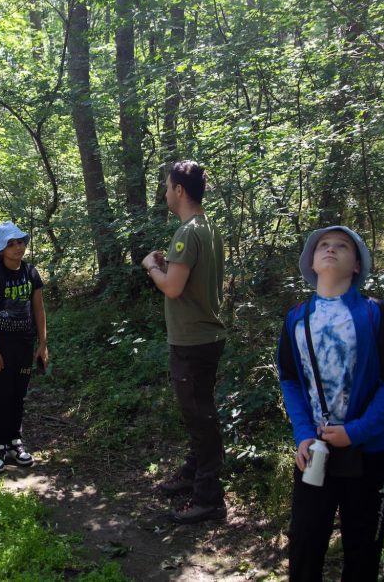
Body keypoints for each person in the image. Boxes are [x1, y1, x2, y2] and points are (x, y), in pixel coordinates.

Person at [276, 226, 384, 581]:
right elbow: (290, 379)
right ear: (312, 261)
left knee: (363, 550)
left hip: (372, 451)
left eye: (342, 246)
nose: (331, 249)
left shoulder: (374, 314)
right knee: (304, 542)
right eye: (323, 245)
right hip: (315, 451)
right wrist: (303, 434)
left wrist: (356, 431)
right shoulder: (297, 317)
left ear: (357, 264)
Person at [141, 160, 227, 525]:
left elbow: (172, 288)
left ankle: (208, 499)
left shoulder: (187, 232)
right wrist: (168, 264)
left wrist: (151, 266)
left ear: (179, 189)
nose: (164, 191)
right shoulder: (207, 228)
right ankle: (192, 475)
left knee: (200, 416)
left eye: (166, 185)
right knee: (198, 412)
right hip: (205, 336)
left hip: (193, 339)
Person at [0, 222, 48, 473]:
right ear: (1, 248)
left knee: (18, 394)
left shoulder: (30, 272)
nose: (18, 247)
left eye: (20, 242)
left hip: (24, 345)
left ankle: (14, 440)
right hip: (1, 346)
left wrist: (43, 345)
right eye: (11, 243)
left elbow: (39, 309)